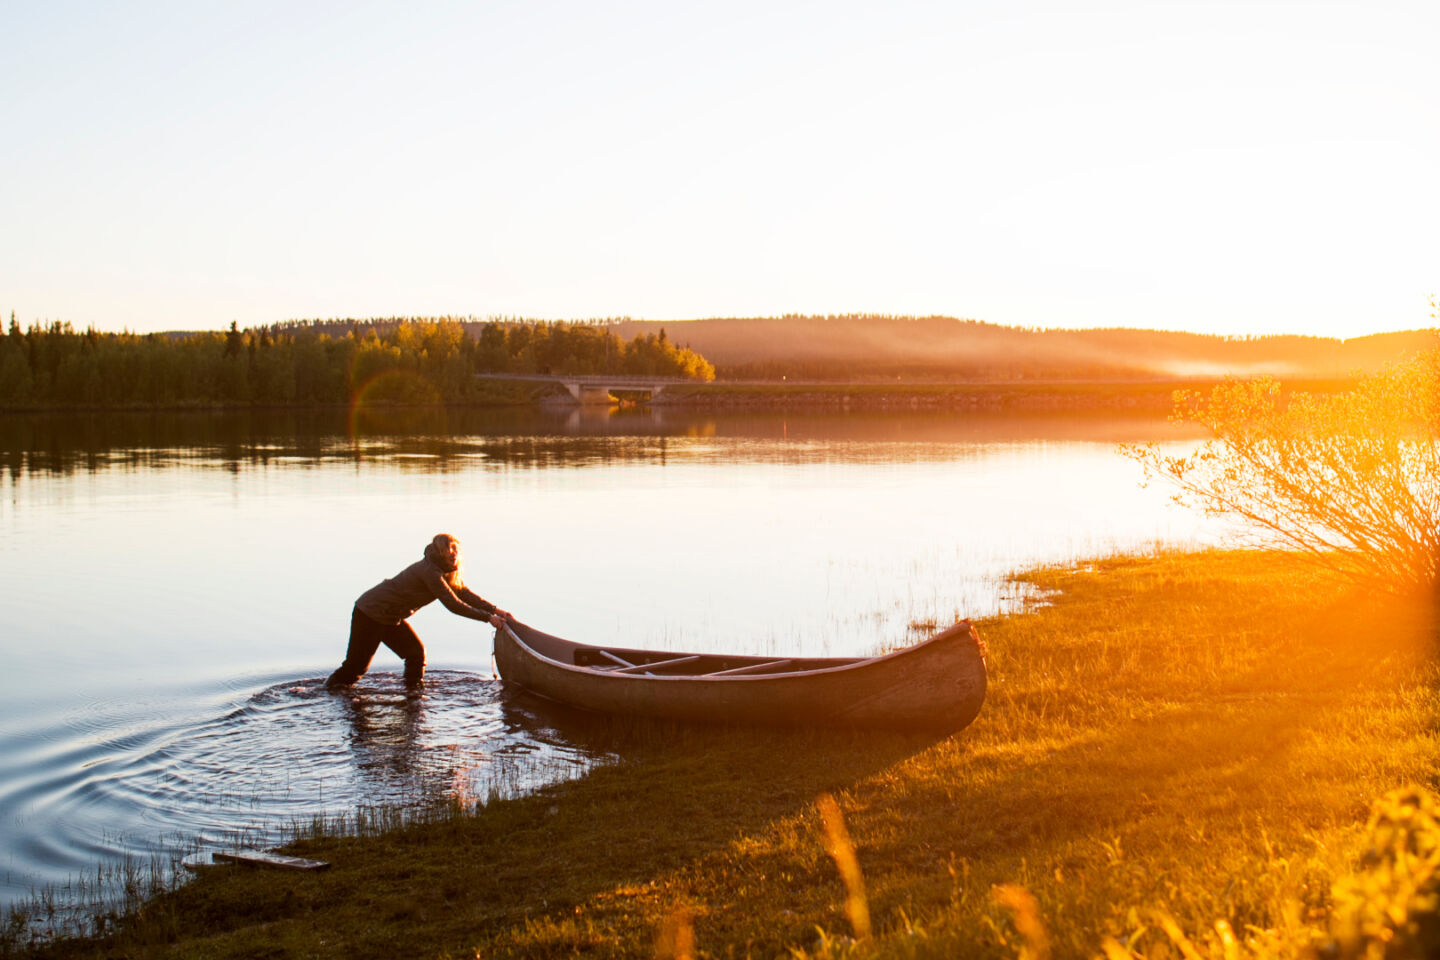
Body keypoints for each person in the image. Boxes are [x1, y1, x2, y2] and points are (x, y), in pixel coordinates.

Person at [326, 533, 511, 689]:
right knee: (355, 668)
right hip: (370, 612)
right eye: (448, 549)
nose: (453, 553)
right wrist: (488, 618)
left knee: (415, 653)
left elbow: (462, 593)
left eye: (456, 549)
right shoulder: (430, 571)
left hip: (390, 616)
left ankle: (412, 696)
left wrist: (495, 610)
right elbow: (453, 604)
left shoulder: (446, 572)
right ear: (439, 552)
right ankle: (330, 692)